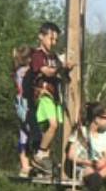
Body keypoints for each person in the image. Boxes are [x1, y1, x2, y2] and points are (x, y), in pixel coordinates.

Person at [25, 22, 66, 175]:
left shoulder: (54, 57)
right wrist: (60, 68)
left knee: (51, 130)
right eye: (51, 38)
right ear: (41, 36)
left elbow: (60, 72)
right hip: (44, 95)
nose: (53, 43)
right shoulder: (37, 55)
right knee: (53, 125)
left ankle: (43, 162)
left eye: (56, 40)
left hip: (55, 97)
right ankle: (40, 154)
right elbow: (47, 72)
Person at [12, 45, 32, 178]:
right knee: (32, 133)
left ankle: (25, 165)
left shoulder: (18, 70)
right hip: (25, 105)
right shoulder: (25, 71)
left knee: (24, 134)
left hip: (19, 104)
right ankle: (26, 165)